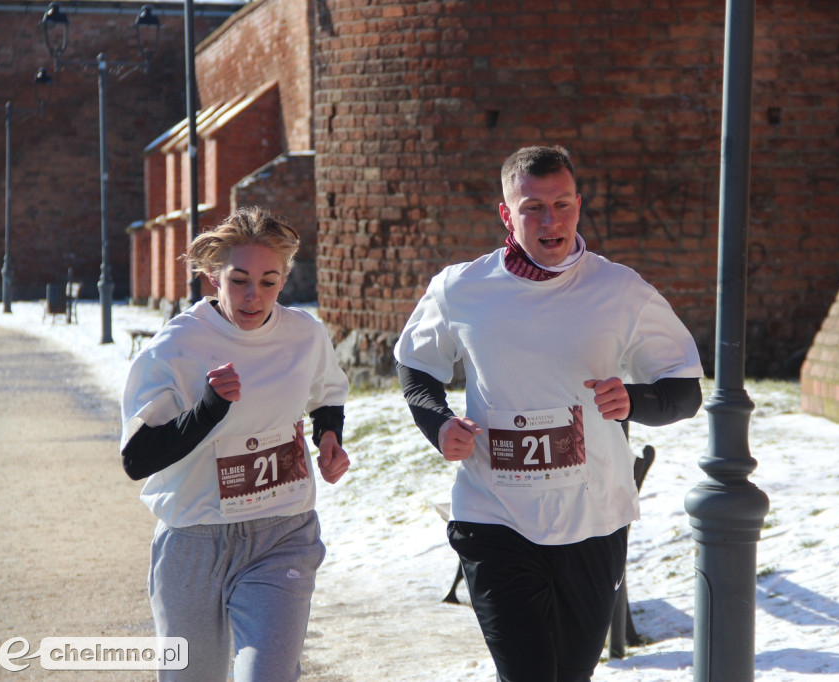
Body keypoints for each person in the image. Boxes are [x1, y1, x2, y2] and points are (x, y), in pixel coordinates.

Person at [394, 145, 704, 681]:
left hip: (593, 520)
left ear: (578, 206)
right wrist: (438, 424)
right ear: (505, 214)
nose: (549, 220)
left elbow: (685, 388)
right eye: (532, 207)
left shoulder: (618, 289)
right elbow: (415, 367)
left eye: (561, 204)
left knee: (570, 674)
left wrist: (638, 401)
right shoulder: (462, 289)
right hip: (494, 517)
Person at [120, 206, 350, 681]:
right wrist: (208, 409)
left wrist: (330, 436)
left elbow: (326, 392)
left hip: (282, 532)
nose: (253, 295)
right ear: (211, 277)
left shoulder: (304, 334)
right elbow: (137, 459)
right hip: (194, 536)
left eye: (269, 281)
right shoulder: (175, 347)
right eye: (239, 280)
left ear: (284, 279)